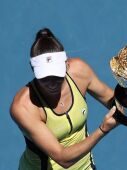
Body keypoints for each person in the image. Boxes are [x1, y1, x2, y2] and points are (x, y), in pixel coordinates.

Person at [10, 28, 117, 169]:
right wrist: (102, 129)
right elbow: (62, 158)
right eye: (44, 78)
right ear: (32, 69)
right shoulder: (23, 107)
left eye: (57, 76)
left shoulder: (80, 71)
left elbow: (116, 103)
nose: (51, 84)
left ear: (67, 65)